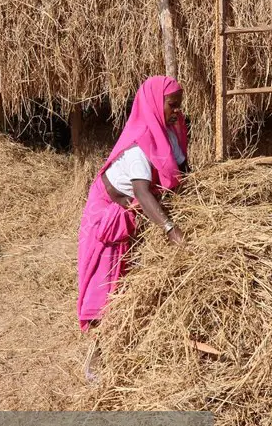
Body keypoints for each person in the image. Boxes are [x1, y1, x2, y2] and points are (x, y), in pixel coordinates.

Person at [76, 76, 188, 358]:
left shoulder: (170, 134)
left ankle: (127, 334)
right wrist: (170, 229)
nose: (177, 111)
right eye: (172, 105)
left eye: (179, 106)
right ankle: (101, 346)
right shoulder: (141, 144)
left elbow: (182, 171)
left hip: (133, 207)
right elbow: (142, 191)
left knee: (130, 273)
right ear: (154, 103)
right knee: (108, 280)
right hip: (109, 215)